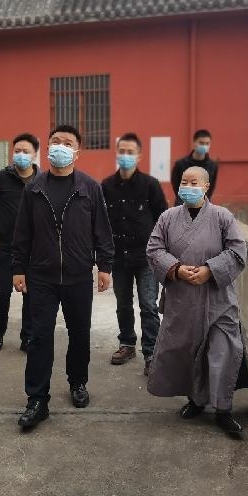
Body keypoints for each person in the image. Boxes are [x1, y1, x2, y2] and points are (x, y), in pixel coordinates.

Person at [12, 124, 114, 430]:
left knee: (80, 334)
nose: (60, 146)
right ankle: (37, 400)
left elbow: (102, 230)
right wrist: (18, 268)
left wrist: (105, 266)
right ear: (47, 148)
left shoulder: (89, 187)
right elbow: (22, 233)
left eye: (67, 143)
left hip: (78, 275)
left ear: (77, 152)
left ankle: (78, 382)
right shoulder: (33, 189)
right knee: (39, 336)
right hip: (41, 276)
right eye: (55, 141)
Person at [146, 166, 248, 438]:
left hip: (218, 300)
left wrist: (210, 270)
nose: (188, 187)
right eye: (184, 182)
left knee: (222, 351)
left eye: (194, 183)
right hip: (183, 300)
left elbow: (238, 251)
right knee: (189, 352)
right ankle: (195, 400)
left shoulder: (222, 217)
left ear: (206, 187)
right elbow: (154, 249)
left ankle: (223, 410)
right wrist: (176, 269)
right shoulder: (168, 217)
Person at [101, 132, 167, 375]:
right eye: (122, 151)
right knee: (123, 304)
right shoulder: (106, 186)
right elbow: (100, 222)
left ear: (139, 156)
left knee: (148, 305)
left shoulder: (150, 185)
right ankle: (127, 345)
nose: (125, 156)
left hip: (146, 258)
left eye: (130, 152)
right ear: (116, 153)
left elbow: (163, 219)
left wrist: (161, 252)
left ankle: (152, 353)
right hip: (118, 257)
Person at [0, 133, 39, 352]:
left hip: (32, 250)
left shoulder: (42, 181)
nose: (21, 155)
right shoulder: (0, 178)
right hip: (4, 246)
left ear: (35, 154)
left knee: (30, 294)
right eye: (17, 150)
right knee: (2, 292)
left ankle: (27, 336)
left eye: (26, 151)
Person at [170, 129, 218, 205]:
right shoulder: (180, 164)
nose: (204, 146)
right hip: (183, 204)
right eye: (201, 143)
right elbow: (175, 184)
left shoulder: (213, 166)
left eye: (207, 143)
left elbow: (211, 187)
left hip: (203, 205)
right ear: (194, 142)